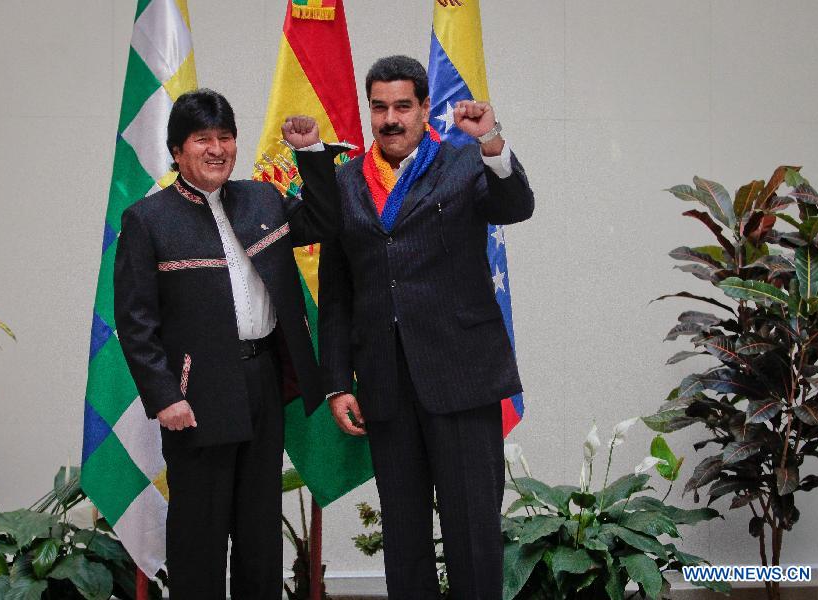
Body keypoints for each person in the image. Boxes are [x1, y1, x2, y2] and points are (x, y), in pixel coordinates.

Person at [315, 56, 535, 599]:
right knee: (404, 535)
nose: (390, 119)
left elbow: (516, 205)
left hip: (461, 377)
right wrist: (338, 381)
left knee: (473, 532)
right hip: (386, 384)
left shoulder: (463, 162)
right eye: (380, 107)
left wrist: (490, 142)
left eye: (402, 106)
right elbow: (337, 294)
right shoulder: (345, 182)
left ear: (423, 109)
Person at [113, 88, 339, 600]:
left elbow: (326, 221)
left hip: (264, 380)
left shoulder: (262, 198)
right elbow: (135, 320)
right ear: (177, 151)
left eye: (225, 138)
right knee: (200, 533)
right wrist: (165, 395)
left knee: (260, 530)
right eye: (202, 140)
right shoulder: (147, 220)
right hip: (197, 394)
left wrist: (309, 154)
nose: (216, 149)